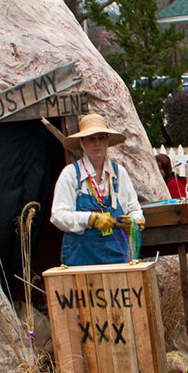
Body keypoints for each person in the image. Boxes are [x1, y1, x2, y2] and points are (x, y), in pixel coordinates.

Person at [51, 113, 145, 266]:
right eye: (91, 138)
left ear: (107, 141)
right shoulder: (71, 174)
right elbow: (58, 216)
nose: (97, 144)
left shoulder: (119, 173)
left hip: (118, 257)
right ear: (82, 142)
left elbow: (134, 208)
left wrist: (135, 220)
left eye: (101, 138)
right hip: (81, 260)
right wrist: (90, 219)